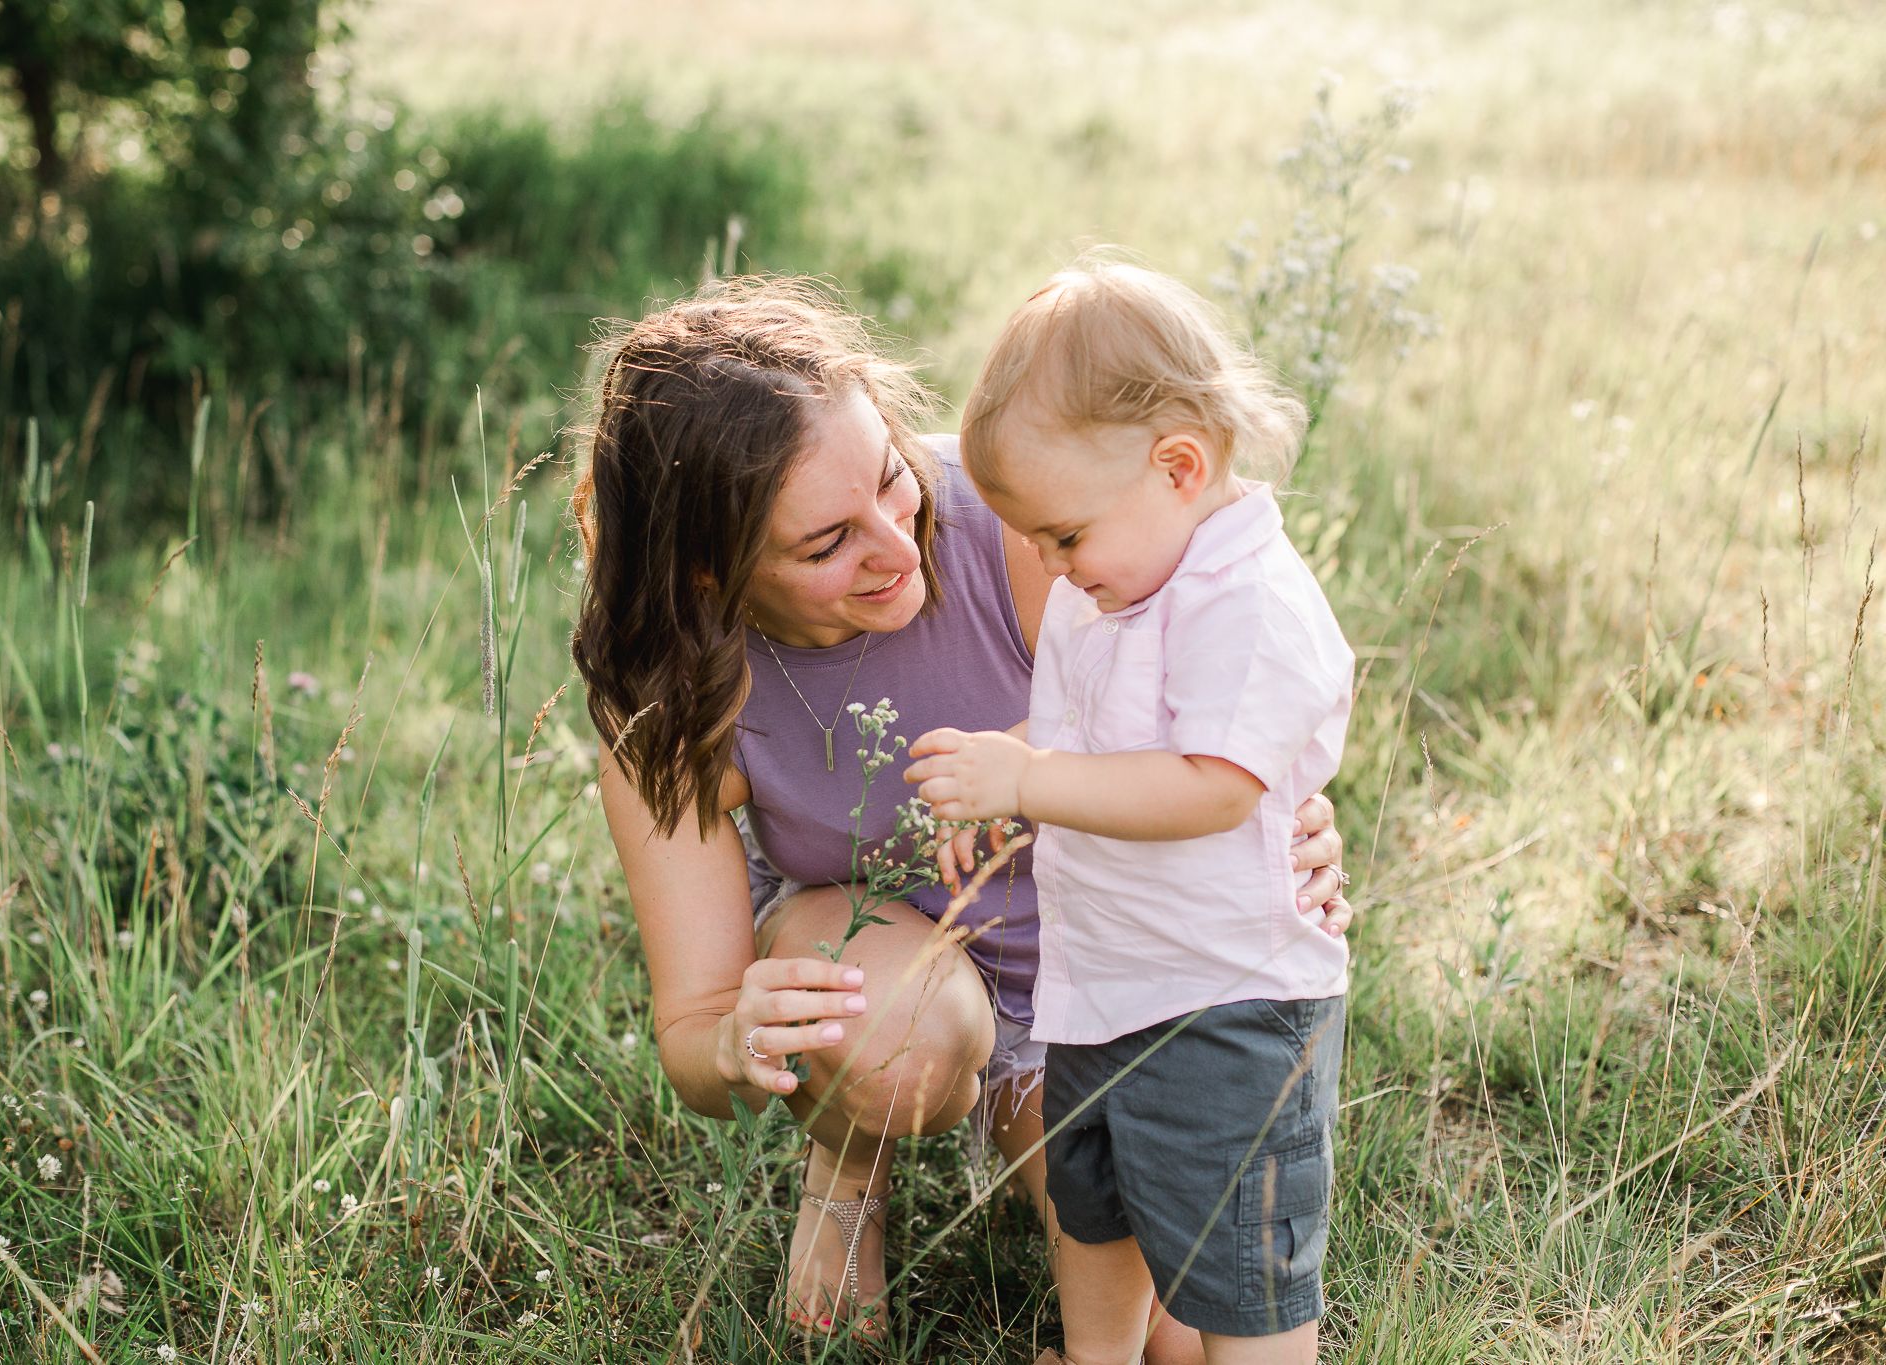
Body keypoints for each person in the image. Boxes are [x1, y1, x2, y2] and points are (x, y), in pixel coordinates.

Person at [570, 278, 1352, 1349]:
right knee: (892, 1047)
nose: (897, 546)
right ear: (709, 572)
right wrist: (736, 1039)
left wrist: (1278, 815)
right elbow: (691, 1029)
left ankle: (1013, 1108)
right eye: (825, 544)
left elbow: (1223, 691)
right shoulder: (675, 696)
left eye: (892, 480)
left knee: (1178, 1337)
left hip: (1115, 980)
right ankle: (847, 1172)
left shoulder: (1028, 516)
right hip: (908, 962)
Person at [905, 259, 1352, 1365]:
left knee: (1240, 1267)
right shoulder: (1112, 587)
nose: (1049, 566)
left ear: (1178, 467)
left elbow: (1209, 786)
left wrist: (1029, 786)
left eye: (1064, 535)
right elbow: (1082, 746)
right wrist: (999, 767)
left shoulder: (1245, 603)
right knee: (1091, 1209)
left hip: (1227, 1003)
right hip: (1104, 984)